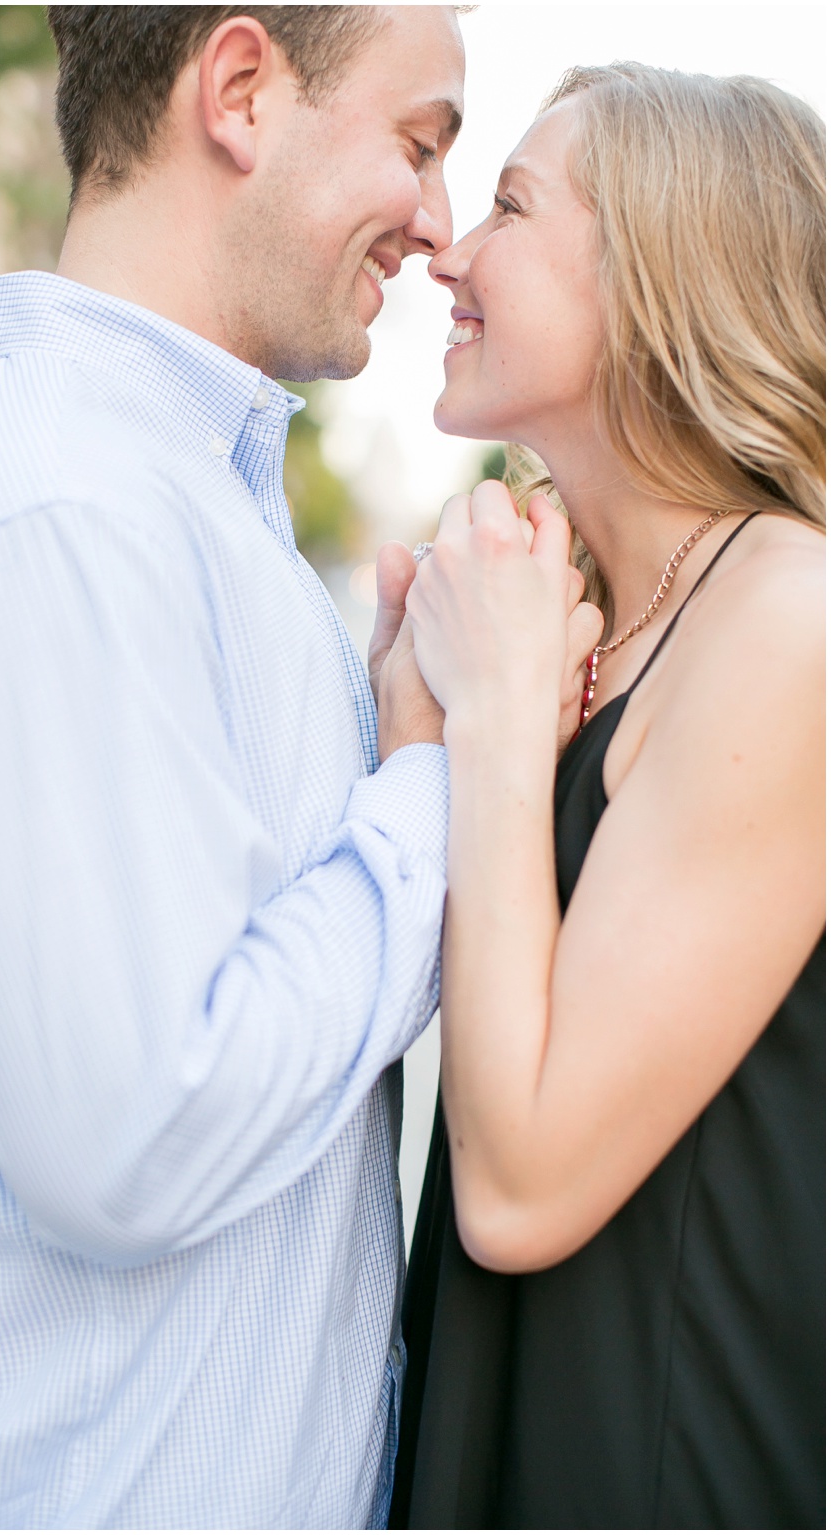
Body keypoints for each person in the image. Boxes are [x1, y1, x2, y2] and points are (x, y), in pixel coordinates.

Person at [0, 7, 587, 1525]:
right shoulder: (58, 515)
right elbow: (136, 1138)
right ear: (238, 90)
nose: (436, 224)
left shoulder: (169, 503)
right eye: (419, 143)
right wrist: (430, 785)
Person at [387, 65, 824, 1528]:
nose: (448, 250)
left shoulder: (790, 619)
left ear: (660, 274)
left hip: (655, 1450)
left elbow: (520, 1191)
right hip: (508, 1413)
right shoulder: (589, 615)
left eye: (510, 204)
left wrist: (501, 723)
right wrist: (424, 712)